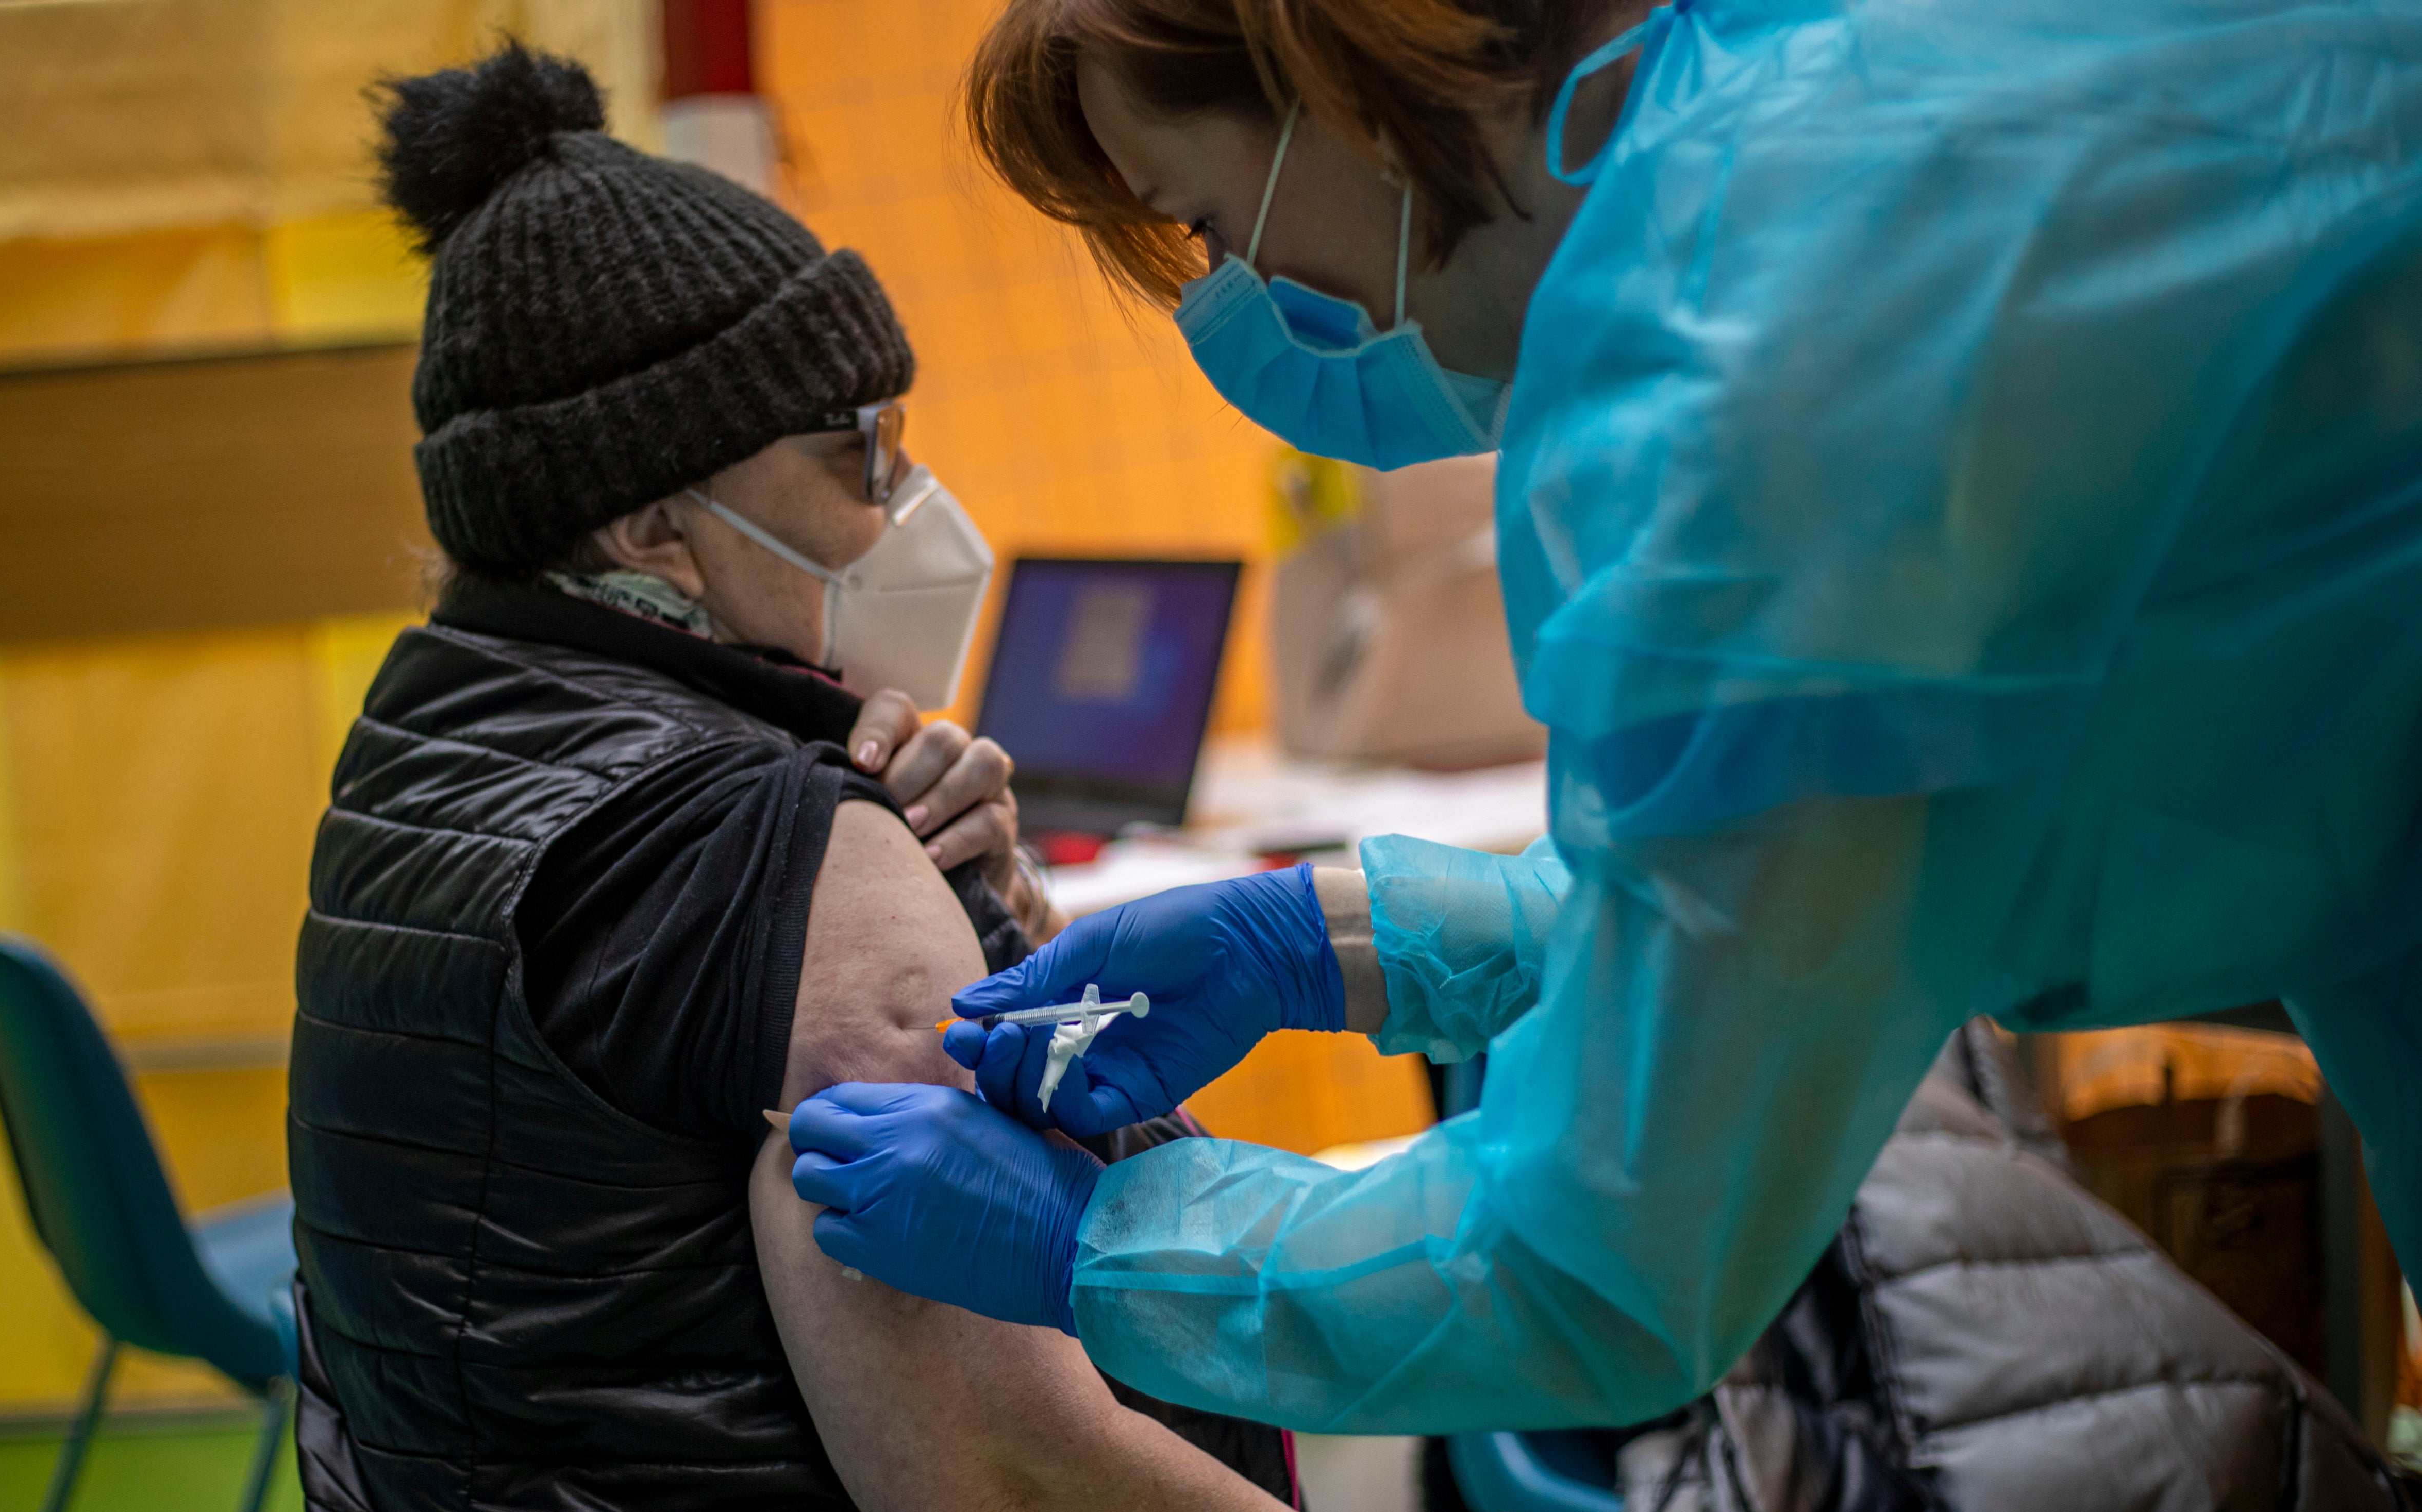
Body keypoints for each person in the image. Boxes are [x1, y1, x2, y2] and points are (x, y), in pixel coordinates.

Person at [289, 43, 1776, 1512]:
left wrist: (1037, 925)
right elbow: (1006, 1498)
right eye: (860, 453)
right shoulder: (762, 835)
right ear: (651, 526)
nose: (913, 499)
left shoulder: (440, 737)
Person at [787, 0, 2422, 1439]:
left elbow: (1603, 1260)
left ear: (1335, 75)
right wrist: (1344, 940)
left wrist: (1100, 1241)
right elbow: (1821, 883)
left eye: (1208, 225)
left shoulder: (1751, 359)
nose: (1251, 302)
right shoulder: (1843, 89)